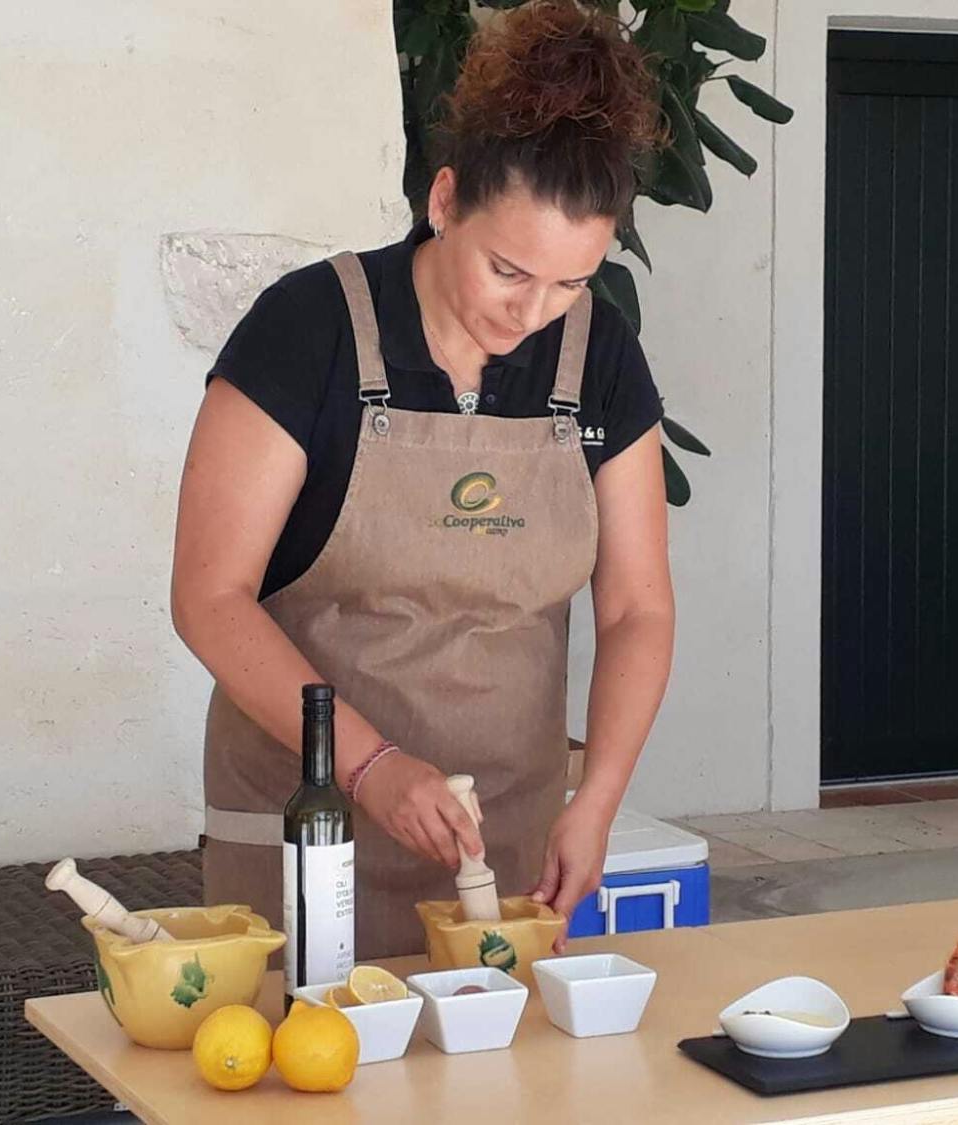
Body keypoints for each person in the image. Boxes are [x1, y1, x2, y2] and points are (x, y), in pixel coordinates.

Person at [170, 1, 674, 958]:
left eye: (571, 282)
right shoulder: (307, 329)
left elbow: (636, 610)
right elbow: (208, 596)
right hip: (308, 840)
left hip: (506, 857)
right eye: (508, 270)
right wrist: (373, 768)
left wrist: (597, 799)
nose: (535, 312)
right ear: (443, 201)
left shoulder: (600, 355)